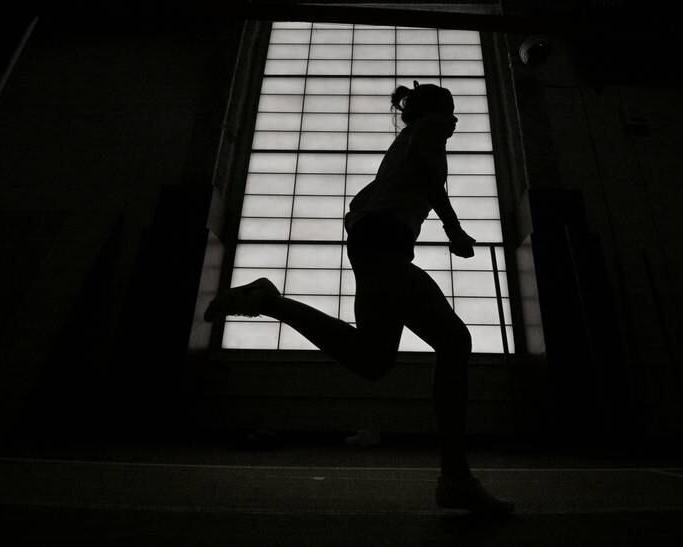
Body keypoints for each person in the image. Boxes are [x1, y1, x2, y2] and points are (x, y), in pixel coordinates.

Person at [205, 81, 514, 514]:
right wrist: (453, 228)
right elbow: (427, 180)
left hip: (377, 242)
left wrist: (370, 219)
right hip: (384, 242)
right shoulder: (428, 130)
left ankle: (269, 301)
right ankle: (455, 478)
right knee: (453, 341)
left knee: (373, 359)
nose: (456, 120)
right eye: (452, 110)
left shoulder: (404, 143)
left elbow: (367, 198)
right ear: (439, 111)